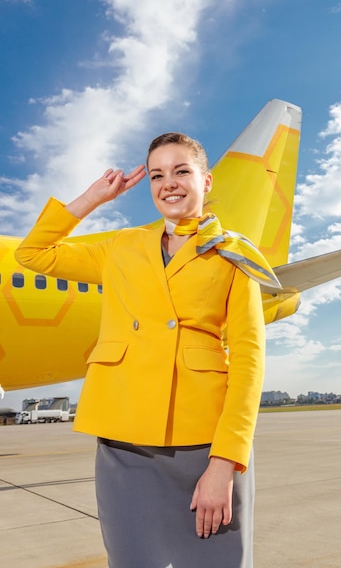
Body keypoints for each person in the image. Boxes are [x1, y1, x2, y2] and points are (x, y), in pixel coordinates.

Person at [15, 132, 280, 568]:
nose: (168, 183)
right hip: (125, 446)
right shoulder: (121, 247)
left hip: (204, 446)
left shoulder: (233, 256)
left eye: (181, 171)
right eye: (157, 175)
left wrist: (225, 463)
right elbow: (34, 254)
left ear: (206, 181)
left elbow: (250, 362)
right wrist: (94, 197)